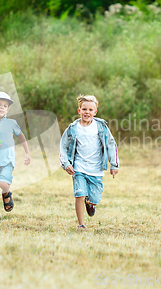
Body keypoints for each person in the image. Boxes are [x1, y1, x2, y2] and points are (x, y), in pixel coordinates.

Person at [59, 95, 120, 230]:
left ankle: (90, 202)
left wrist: (114, 164)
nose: (87, 112)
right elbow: (63, 146)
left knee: (95, 198)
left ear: (95, 112)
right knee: (79, 194)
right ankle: (81, 224)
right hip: (78, 166)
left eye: (90, 110)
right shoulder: (73, 128)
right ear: (79, 110)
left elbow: (111, 144)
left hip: (96, 168)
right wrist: (66, 164)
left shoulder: (101, 127)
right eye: (84, 109)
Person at [0, 92, 31, 226]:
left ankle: (6, 194)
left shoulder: (11, 123)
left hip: (6, 163)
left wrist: (27, 153)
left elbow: (21, 137)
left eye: (5, 106)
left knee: (3, 184)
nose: (2, 108)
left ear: (8, 109)